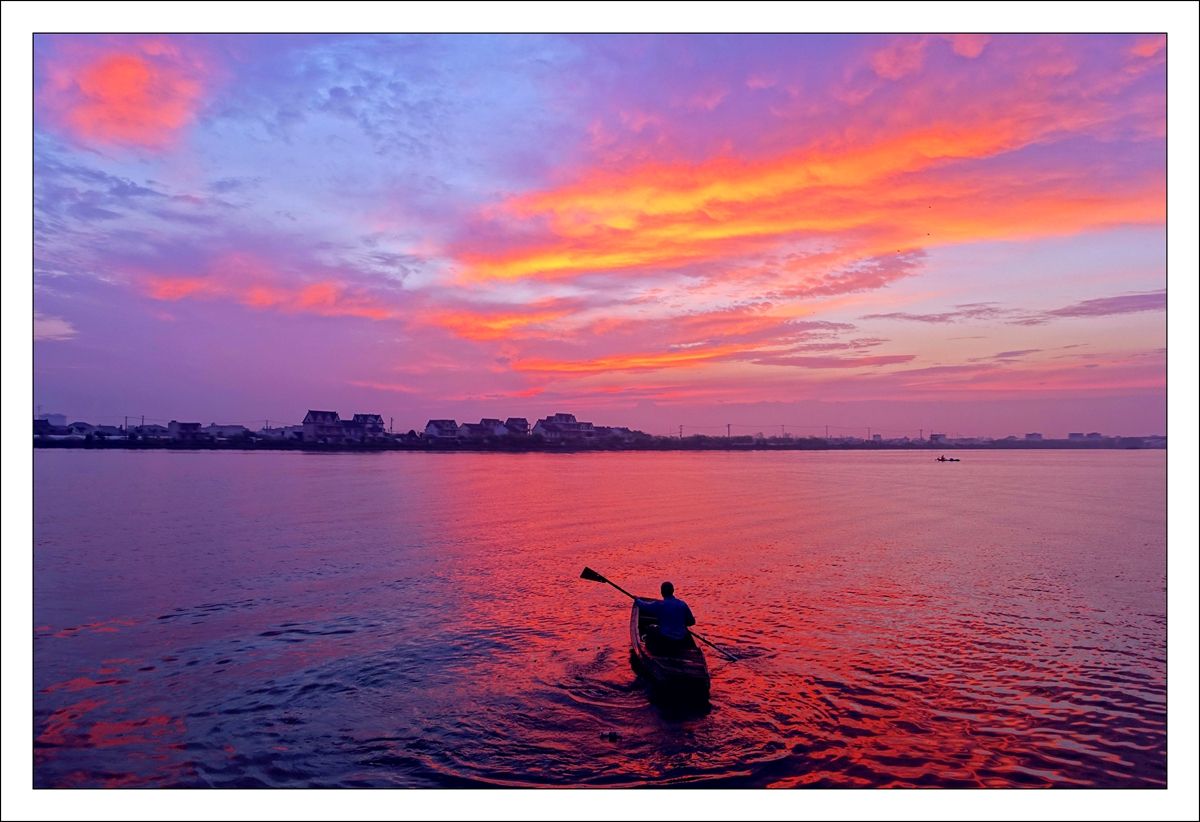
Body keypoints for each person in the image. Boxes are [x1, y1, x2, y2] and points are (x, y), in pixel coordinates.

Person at [636, 581, 696, 654]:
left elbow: (644, 606)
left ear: (662, 592)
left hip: (666, 640)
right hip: (681, 640)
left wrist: (637, 600)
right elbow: (692, 622)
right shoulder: (682, 604)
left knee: (650, 629)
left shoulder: (660, 605)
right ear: (673, 591)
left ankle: (650, 650)